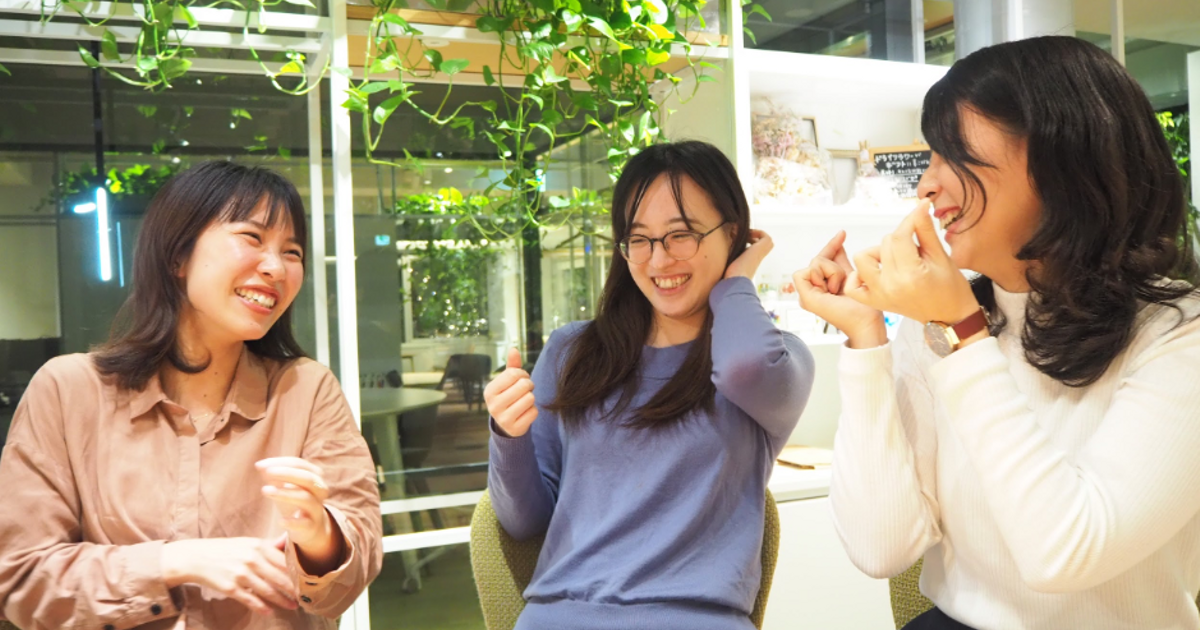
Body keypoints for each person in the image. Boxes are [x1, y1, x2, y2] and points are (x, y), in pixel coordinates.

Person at [795, 36, 1200, 630]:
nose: (926, 186)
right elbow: (881, 548)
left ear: (1060, 155)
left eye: (952, 153)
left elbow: (1065, 552)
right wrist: (865, 340)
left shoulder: (1178, 333)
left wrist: (962, 331)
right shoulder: (941, 324)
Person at [0, 161, 383, 629]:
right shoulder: (68, 390)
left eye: (292, 252)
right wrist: (175, 562)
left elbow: (355, 567)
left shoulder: (307, 389)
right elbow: (19, 579)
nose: (275, 267)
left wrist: (321, 536)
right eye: (252, 237)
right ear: (177, 256)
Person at [483, 140, 815, 630]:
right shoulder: (573, 352)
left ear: (732, 232)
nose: (659, 261)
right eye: (639, 239)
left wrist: (737, 279)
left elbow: (744, 368)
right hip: (562, 616)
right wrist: (507, 436)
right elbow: (523, 522)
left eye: (681, 235)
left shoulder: (776, 361)